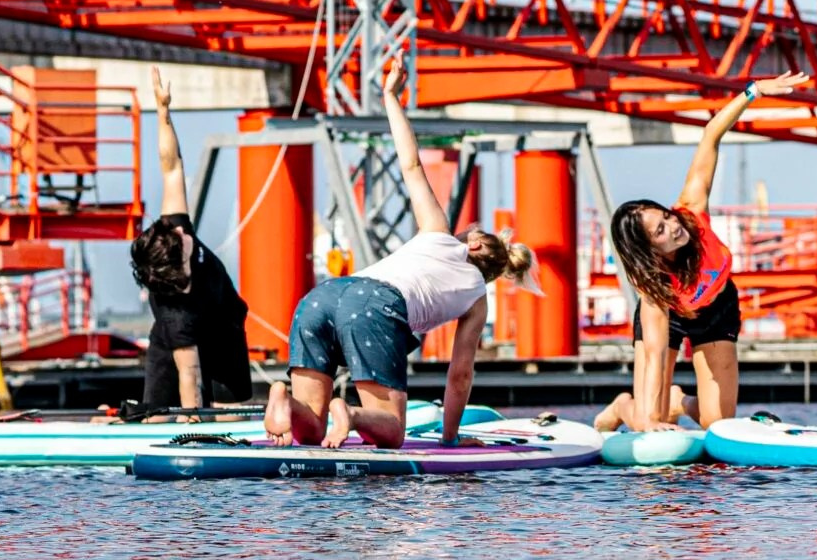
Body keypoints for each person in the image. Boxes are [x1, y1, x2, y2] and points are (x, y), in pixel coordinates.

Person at [273, 61, 535, 449]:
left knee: (309, 428)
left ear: (475, 245)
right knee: (393, 431)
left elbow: (411, 165)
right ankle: (351, 414)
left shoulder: (437, 232)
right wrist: (450, 438)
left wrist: (391, 97)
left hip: (324, 295)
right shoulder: (477, 300)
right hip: (374, 306)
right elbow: (460, 374)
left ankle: (282, 398)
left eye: (468, 231)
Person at [597, 70, 809, 433]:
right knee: (649, 421)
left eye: (665, 217)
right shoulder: (653, 287)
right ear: (650, 251)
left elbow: (711, 135)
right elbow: (654, 353)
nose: (673, 226)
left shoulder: (691, 211)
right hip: (672, 316)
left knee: (717, 423)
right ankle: (623, 406)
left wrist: (754, 91)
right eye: (661, 231)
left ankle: (679, 401)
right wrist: (650, 422)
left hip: (717, 308)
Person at [129, 67, 253, 412]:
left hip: (225, 328)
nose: (185, 234)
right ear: (179, 274)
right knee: (160, 416)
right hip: (173, 344)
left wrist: (163, 112)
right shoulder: (177, 315)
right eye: (182, 245)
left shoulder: (175, 231)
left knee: (231, 415)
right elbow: (190, 374)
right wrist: (192, 425)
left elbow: (171, 166)